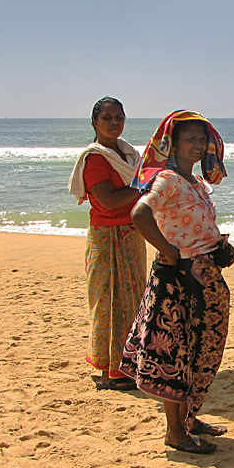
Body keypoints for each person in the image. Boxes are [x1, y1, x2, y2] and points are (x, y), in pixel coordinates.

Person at [119, 111, 234, 454]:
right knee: (176, 354)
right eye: (191, 140)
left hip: (203, 275)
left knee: (201, 350)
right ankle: (175, 432)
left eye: (202, 139)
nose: (198, 146)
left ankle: (190, 418)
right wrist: (167, 250)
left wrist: (220, 248)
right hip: (178, 280)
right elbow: (140, 213)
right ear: (173, 144)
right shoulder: (167, 179)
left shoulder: (195, 183)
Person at [68, 97, 147, 391]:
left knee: (133, 302)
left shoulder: (128, 156)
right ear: (95, 122)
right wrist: (142, 186)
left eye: (119, 117)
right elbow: (109, 200)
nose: (115, 122)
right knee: (108, 304)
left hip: (133, 234)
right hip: (106, 239)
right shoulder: (95, 159)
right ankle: (109, 373)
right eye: (108, 117)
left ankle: (126, 366)